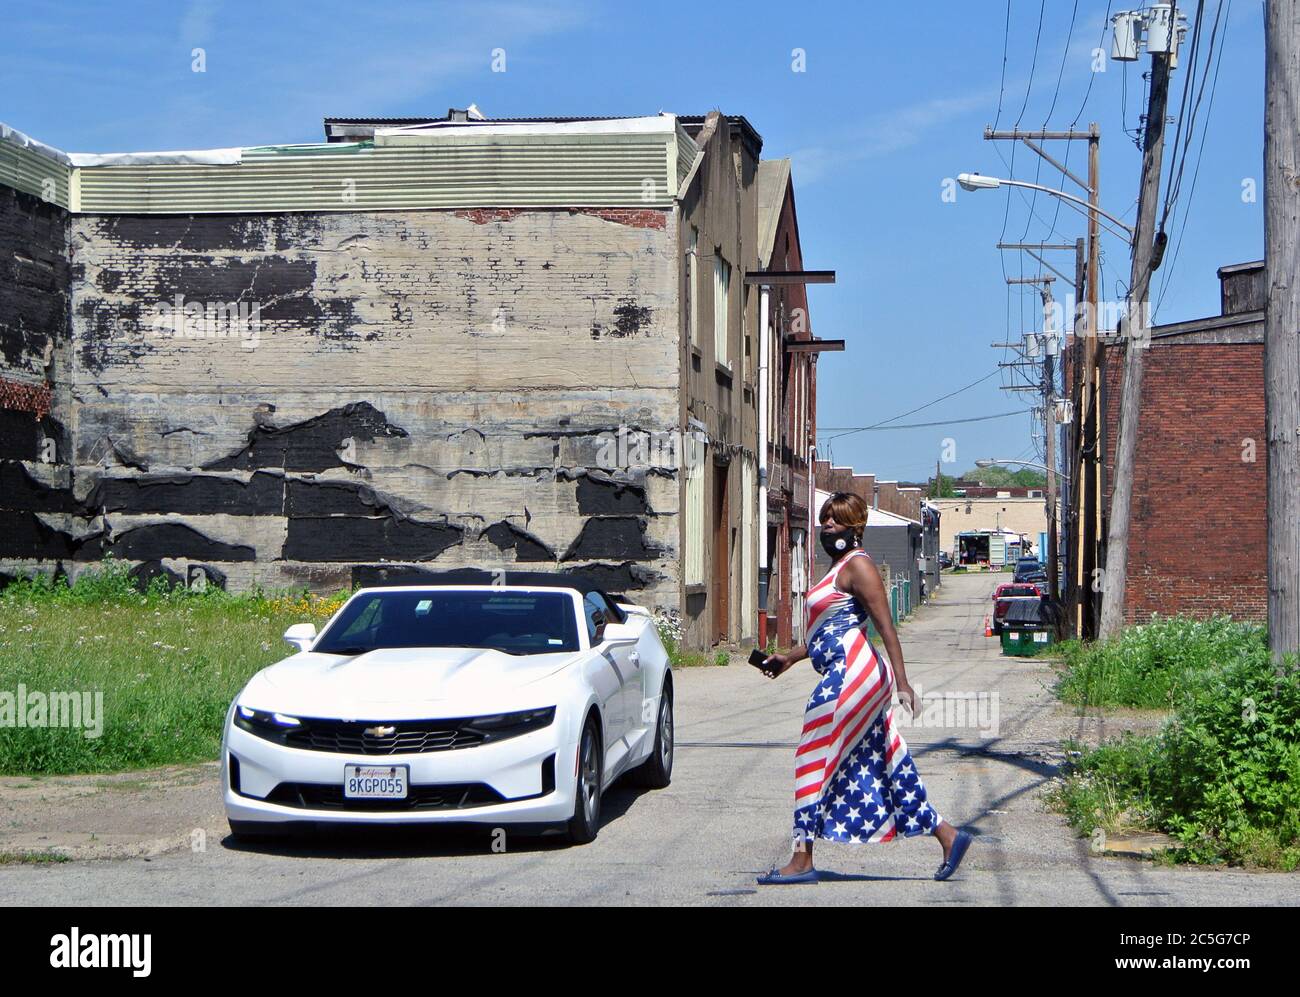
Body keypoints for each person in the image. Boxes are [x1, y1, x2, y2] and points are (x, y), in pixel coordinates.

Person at [756, 491, 973, 885]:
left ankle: (802, 859)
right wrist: (789, 657)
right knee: (885, 760)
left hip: (852, 676)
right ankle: (948, 835)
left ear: (855, 528)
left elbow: (886, 626)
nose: (827, 527)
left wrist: (904, 683)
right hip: (851, 672)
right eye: (825, 520)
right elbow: (829, 630)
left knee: (811, 757)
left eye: (835, 521)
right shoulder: (837, 567)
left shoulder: (859, 567)